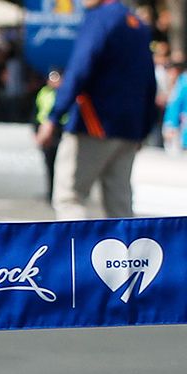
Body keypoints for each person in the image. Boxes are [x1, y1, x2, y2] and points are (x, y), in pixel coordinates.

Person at [35, 0, 157, 220]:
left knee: (70, 197)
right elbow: (149, 80)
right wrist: (144, 127)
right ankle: (126, 253)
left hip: (94, 124)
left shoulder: (100, 18)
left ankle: (75, 253)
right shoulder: (136, 22)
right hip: (129, 129)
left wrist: (53, 116)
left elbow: (80, 68)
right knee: (119, 205)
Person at [33, 68, 64, 201]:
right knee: (49, 164)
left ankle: (59, 192)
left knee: (62, 165)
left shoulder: (64, 93)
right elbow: (36, 113)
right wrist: (36, 131)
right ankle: (51, 192)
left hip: (60, 131)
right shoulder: (43, 93)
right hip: (46, 131)